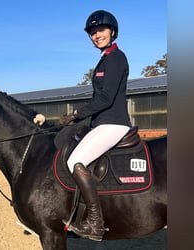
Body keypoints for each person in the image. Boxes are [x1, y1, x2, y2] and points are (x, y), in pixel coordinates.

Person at [33, 10, 132, 241]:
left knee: (75, 161)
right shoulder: (105, 59)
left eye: (101, 31)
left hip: (114, 123)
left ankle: (95, 222)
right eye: (93, 32)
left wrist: (76, 114)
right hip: (101, 123)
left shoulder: (117, 58)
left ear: (112, 32)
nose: (97, 35)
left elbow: (105, 99)